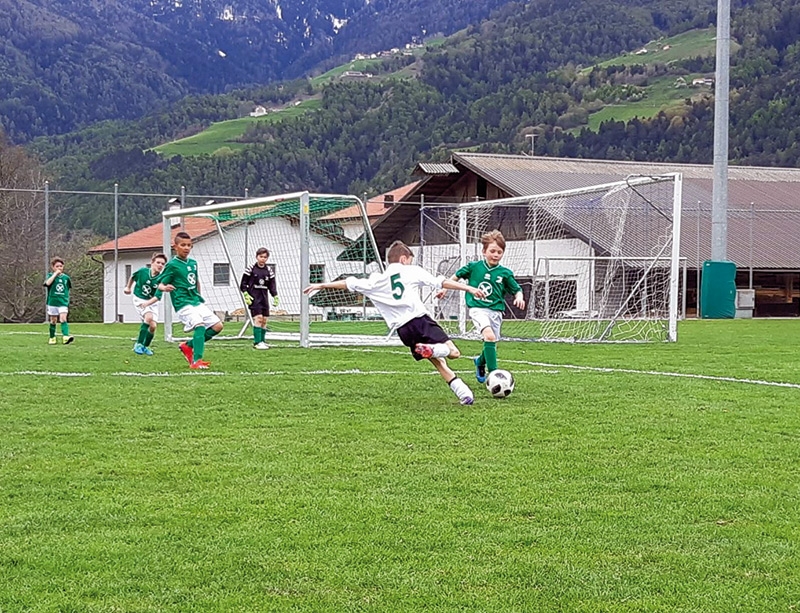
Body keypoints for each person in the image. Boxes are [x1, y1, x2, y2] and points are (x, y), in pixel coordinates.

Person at [303, 240, 486, 405]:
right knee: (453, 353)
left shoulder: (376, 279)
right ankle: (435, 350)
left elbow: (350, 283)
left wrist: (321, 285)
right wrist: (468, 287)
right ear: (404, 259)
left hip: (403, 331)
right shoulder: (411, 270)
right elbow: (442, 282)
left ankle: (465, 395)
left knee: (439, 363)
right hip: (420, 320)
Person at [440, 230, 525, 384]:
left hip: (496, 311)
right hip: (477, 309)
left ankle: (480, 361)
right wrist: (444, 288)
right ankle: (494, 376)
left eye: (499, 252)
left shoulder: (505, 273)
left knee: (491, 341)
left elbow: (516, 289)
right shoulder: (474, 267)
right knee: (490, 336)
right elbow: (456, 276)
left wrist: (519, 296)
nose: (496, 255)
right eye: (492, 251)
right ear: (484, 251)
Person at [156, 231, 224, 370]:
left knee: (218, 326)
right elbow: (159, 283)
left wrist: (199, 295)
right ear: (175, 247)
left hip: (195, 301)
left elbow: (196, 280)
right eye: (183, 245)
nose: (186, 248)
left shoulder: (193, 263)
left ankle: (188, 345)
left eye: (189, 245)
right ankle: (196, 361)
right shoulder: (172, 265)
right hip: (182, 302)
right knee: (199, 326)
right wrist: (164, 288)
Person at [124, 252, 168, 356]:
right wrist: (128, 287)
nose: (160, 265)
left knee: (153, 326)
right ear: (152, 263)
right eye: (158, 262)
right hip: (139, 298)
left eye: (162, 264)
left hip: (151, 301)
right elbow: (133, 277)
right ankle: (138, 344)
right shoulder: (143, 271)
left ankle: (145, 346)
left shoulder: (162, 279)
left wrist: (148, 303)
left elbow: (157, 297)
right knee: (148, 317)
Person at [240, 247, 279, 350]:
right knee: (258, 318)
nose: (263, 259)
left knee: (265, 320)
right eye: (261, 256)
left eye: (265, 257)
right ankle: (257, 342)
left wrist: (275, 295)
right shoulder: (251, 268)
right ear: (257, 257)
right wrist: (246, 294)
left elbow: (272, 285)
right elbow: (243, 283)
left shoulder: (269, 270)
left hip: (264, 298)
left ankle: (262, 341)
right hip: (254, 298)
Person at [43, 257, 74, 345]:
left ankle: (65, 337)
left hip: (63, 302)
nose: (59, 268)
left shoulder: (66, 278)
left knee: (63, 319)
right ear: (53, 267)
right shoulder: (50, 276)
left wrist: (66, 299)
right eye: (57, 266)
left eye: (61, 266)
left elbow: (67, 288)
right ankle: (52, 337)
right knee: (53, 320)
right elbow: (47, 283)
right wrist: (55, 274)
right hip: (53, 301)